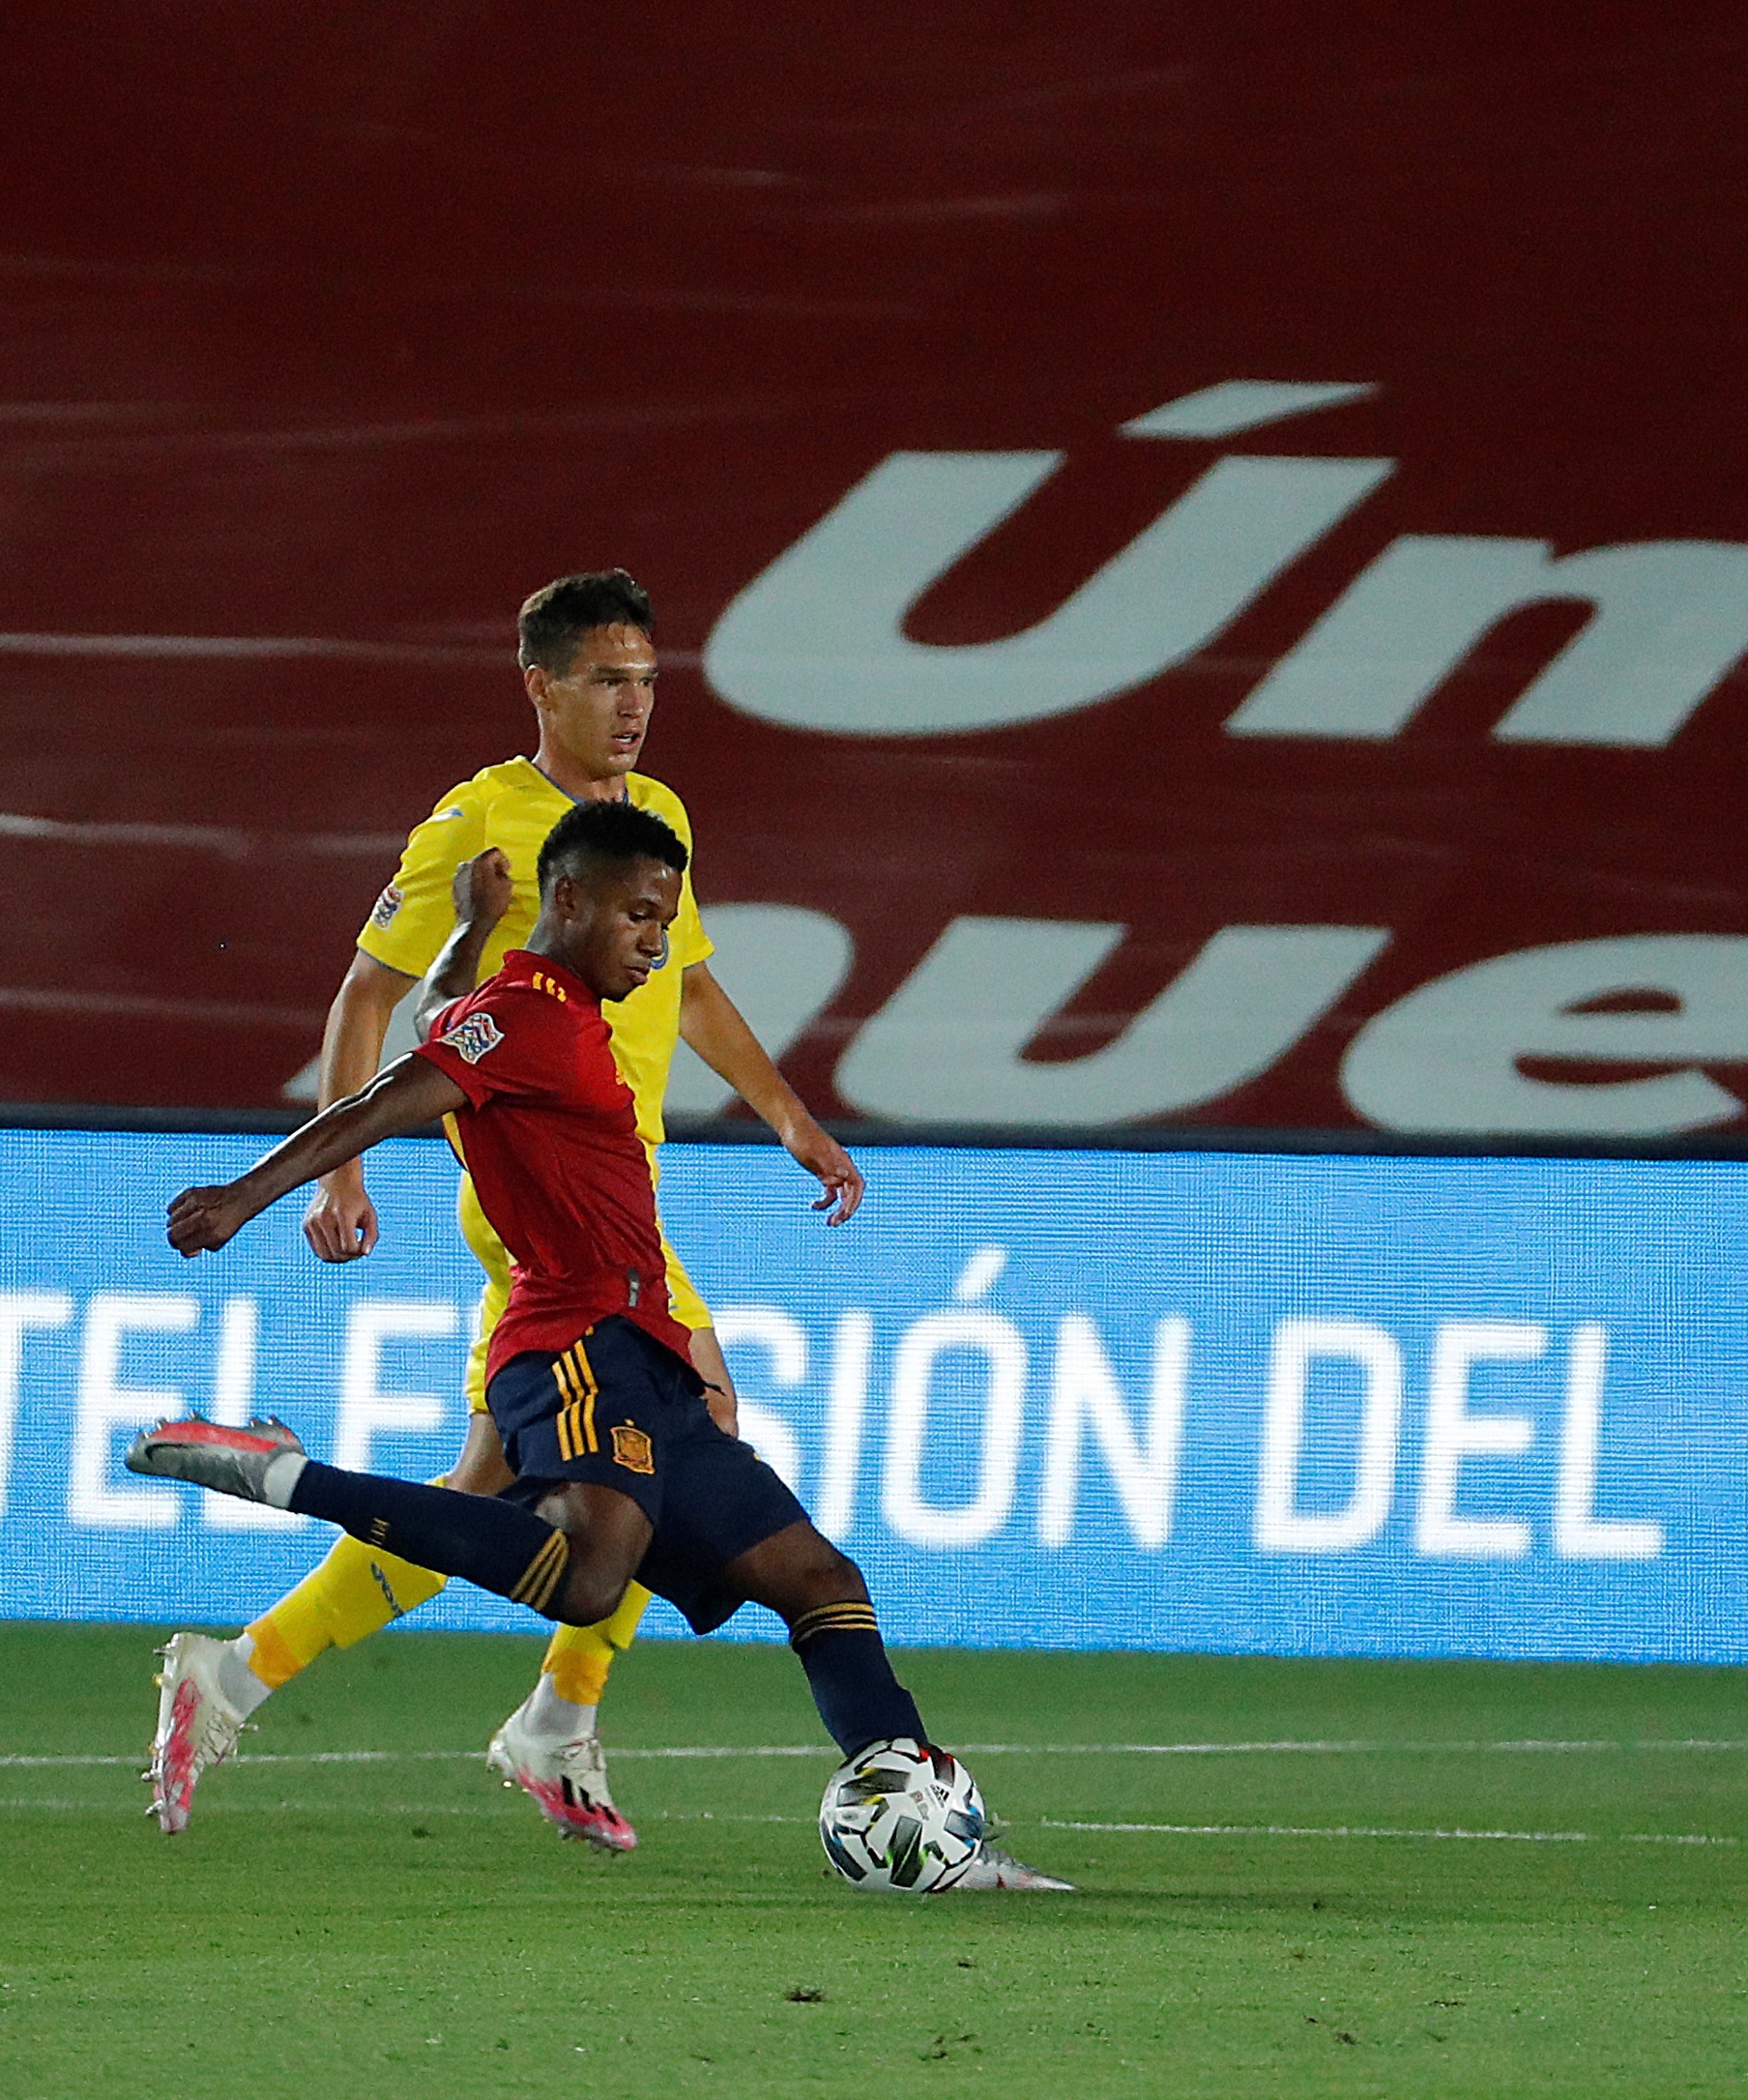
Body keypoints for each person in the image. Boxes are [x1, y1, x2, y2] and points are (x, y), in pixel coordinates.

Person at [130, 797, 1064, 1889]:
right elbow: (395, 1090)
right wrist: (248, 1194)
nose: (656, 944)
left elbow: (441, 1019)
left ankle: (917, 1820)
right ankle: (291, 1478)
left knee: (816, 1576)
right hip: (574, 1337)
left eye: (664, 919)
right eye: (636, 917)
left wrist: (470, 932)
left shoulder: (528, 1004)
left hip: (647, 1345)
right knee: (586, 1575)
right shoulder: (531, 1017)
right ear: (567, 900)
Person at [144, 570, 861, 1850]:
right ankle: (557, 1716)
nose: (633, 702)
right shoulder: (482, 822)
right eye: (604, 678)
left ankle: (240, 1671)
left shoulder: (654, 817)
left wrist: (792, 1118)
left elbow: (690, 991)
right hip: (545, 1199)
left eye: (646, 676)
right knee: (691, 1418)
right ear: (540, 683)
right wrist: (342, 1172)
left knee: (490, 1488)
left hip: (614, 1181)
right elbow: (375, 997)